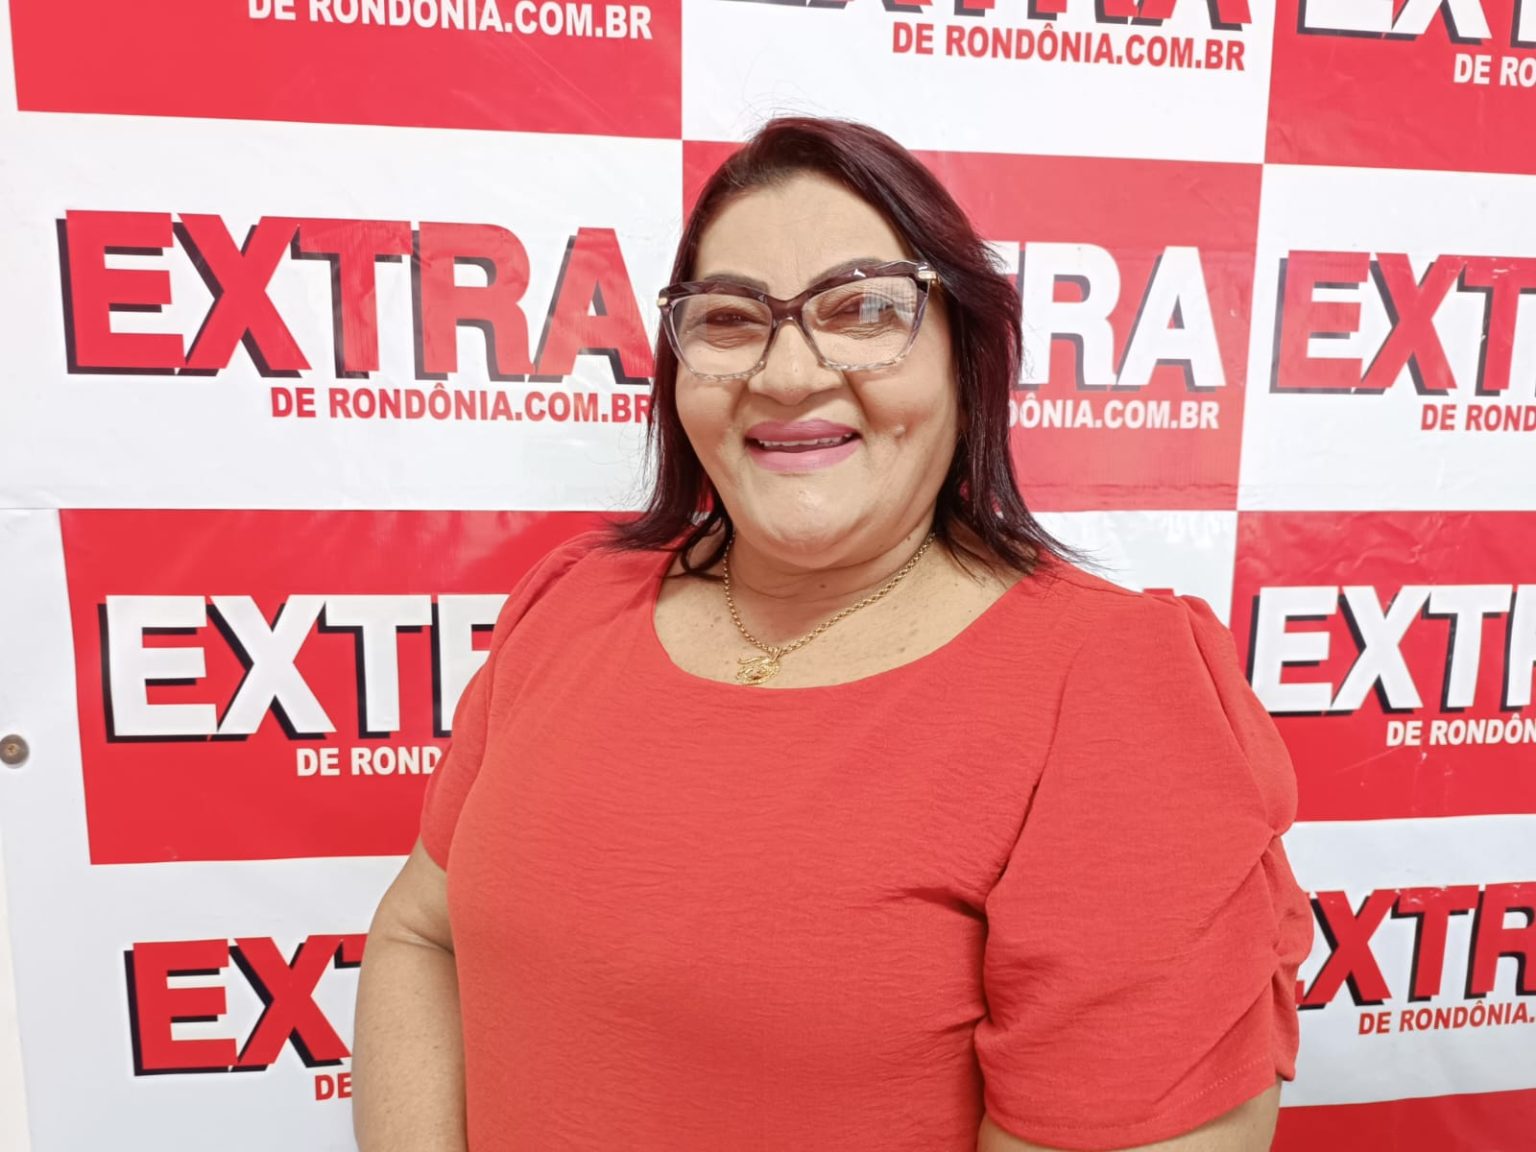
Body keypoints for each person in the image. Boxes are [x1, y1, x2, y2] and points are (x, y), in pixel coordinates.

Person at [352, 116, 1313, 1152]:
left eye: (863, 309)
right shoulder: (571, 604)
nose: (786, 374)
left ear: (966, 356)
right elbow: (420, 934)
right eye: (730, 320)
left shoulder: (1118, 696)